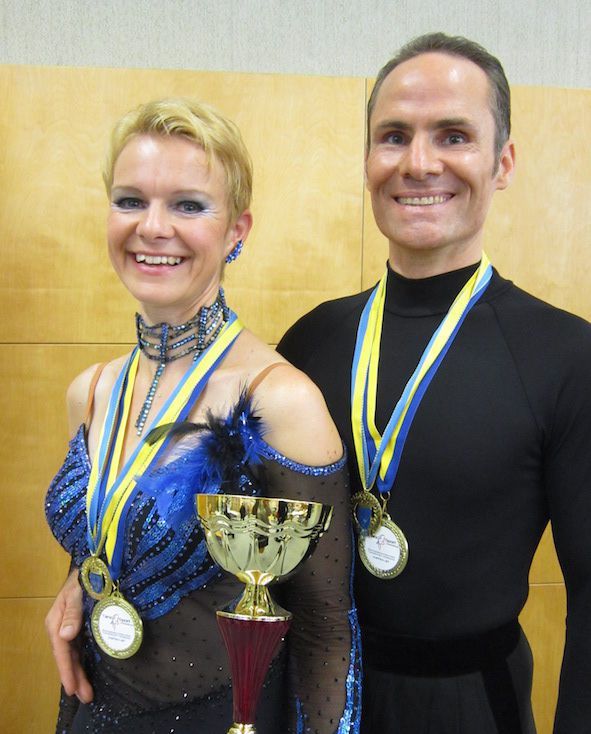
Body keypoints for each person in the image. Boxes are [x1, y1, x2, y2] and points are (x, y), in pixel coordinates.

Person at [277, 33, 591, 734]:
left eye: (453, 135)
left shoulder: (566, 356)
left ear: (502, 162)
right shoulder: (309, 341)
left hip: (472, 706)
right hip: (315, 695)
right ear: (368, 160)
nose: (418, 163)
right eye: (393, 136)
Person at [44, 98, 361, 734]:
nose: (152, 227)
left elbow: (326, 626)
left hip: (221, 717)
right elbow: (107, 536)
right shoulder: (91, 391)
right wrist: (77, 584)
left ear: (236, 231)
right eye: (130, 200)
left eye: (188, 205)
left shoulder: (280, 401)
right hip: (93, 710)